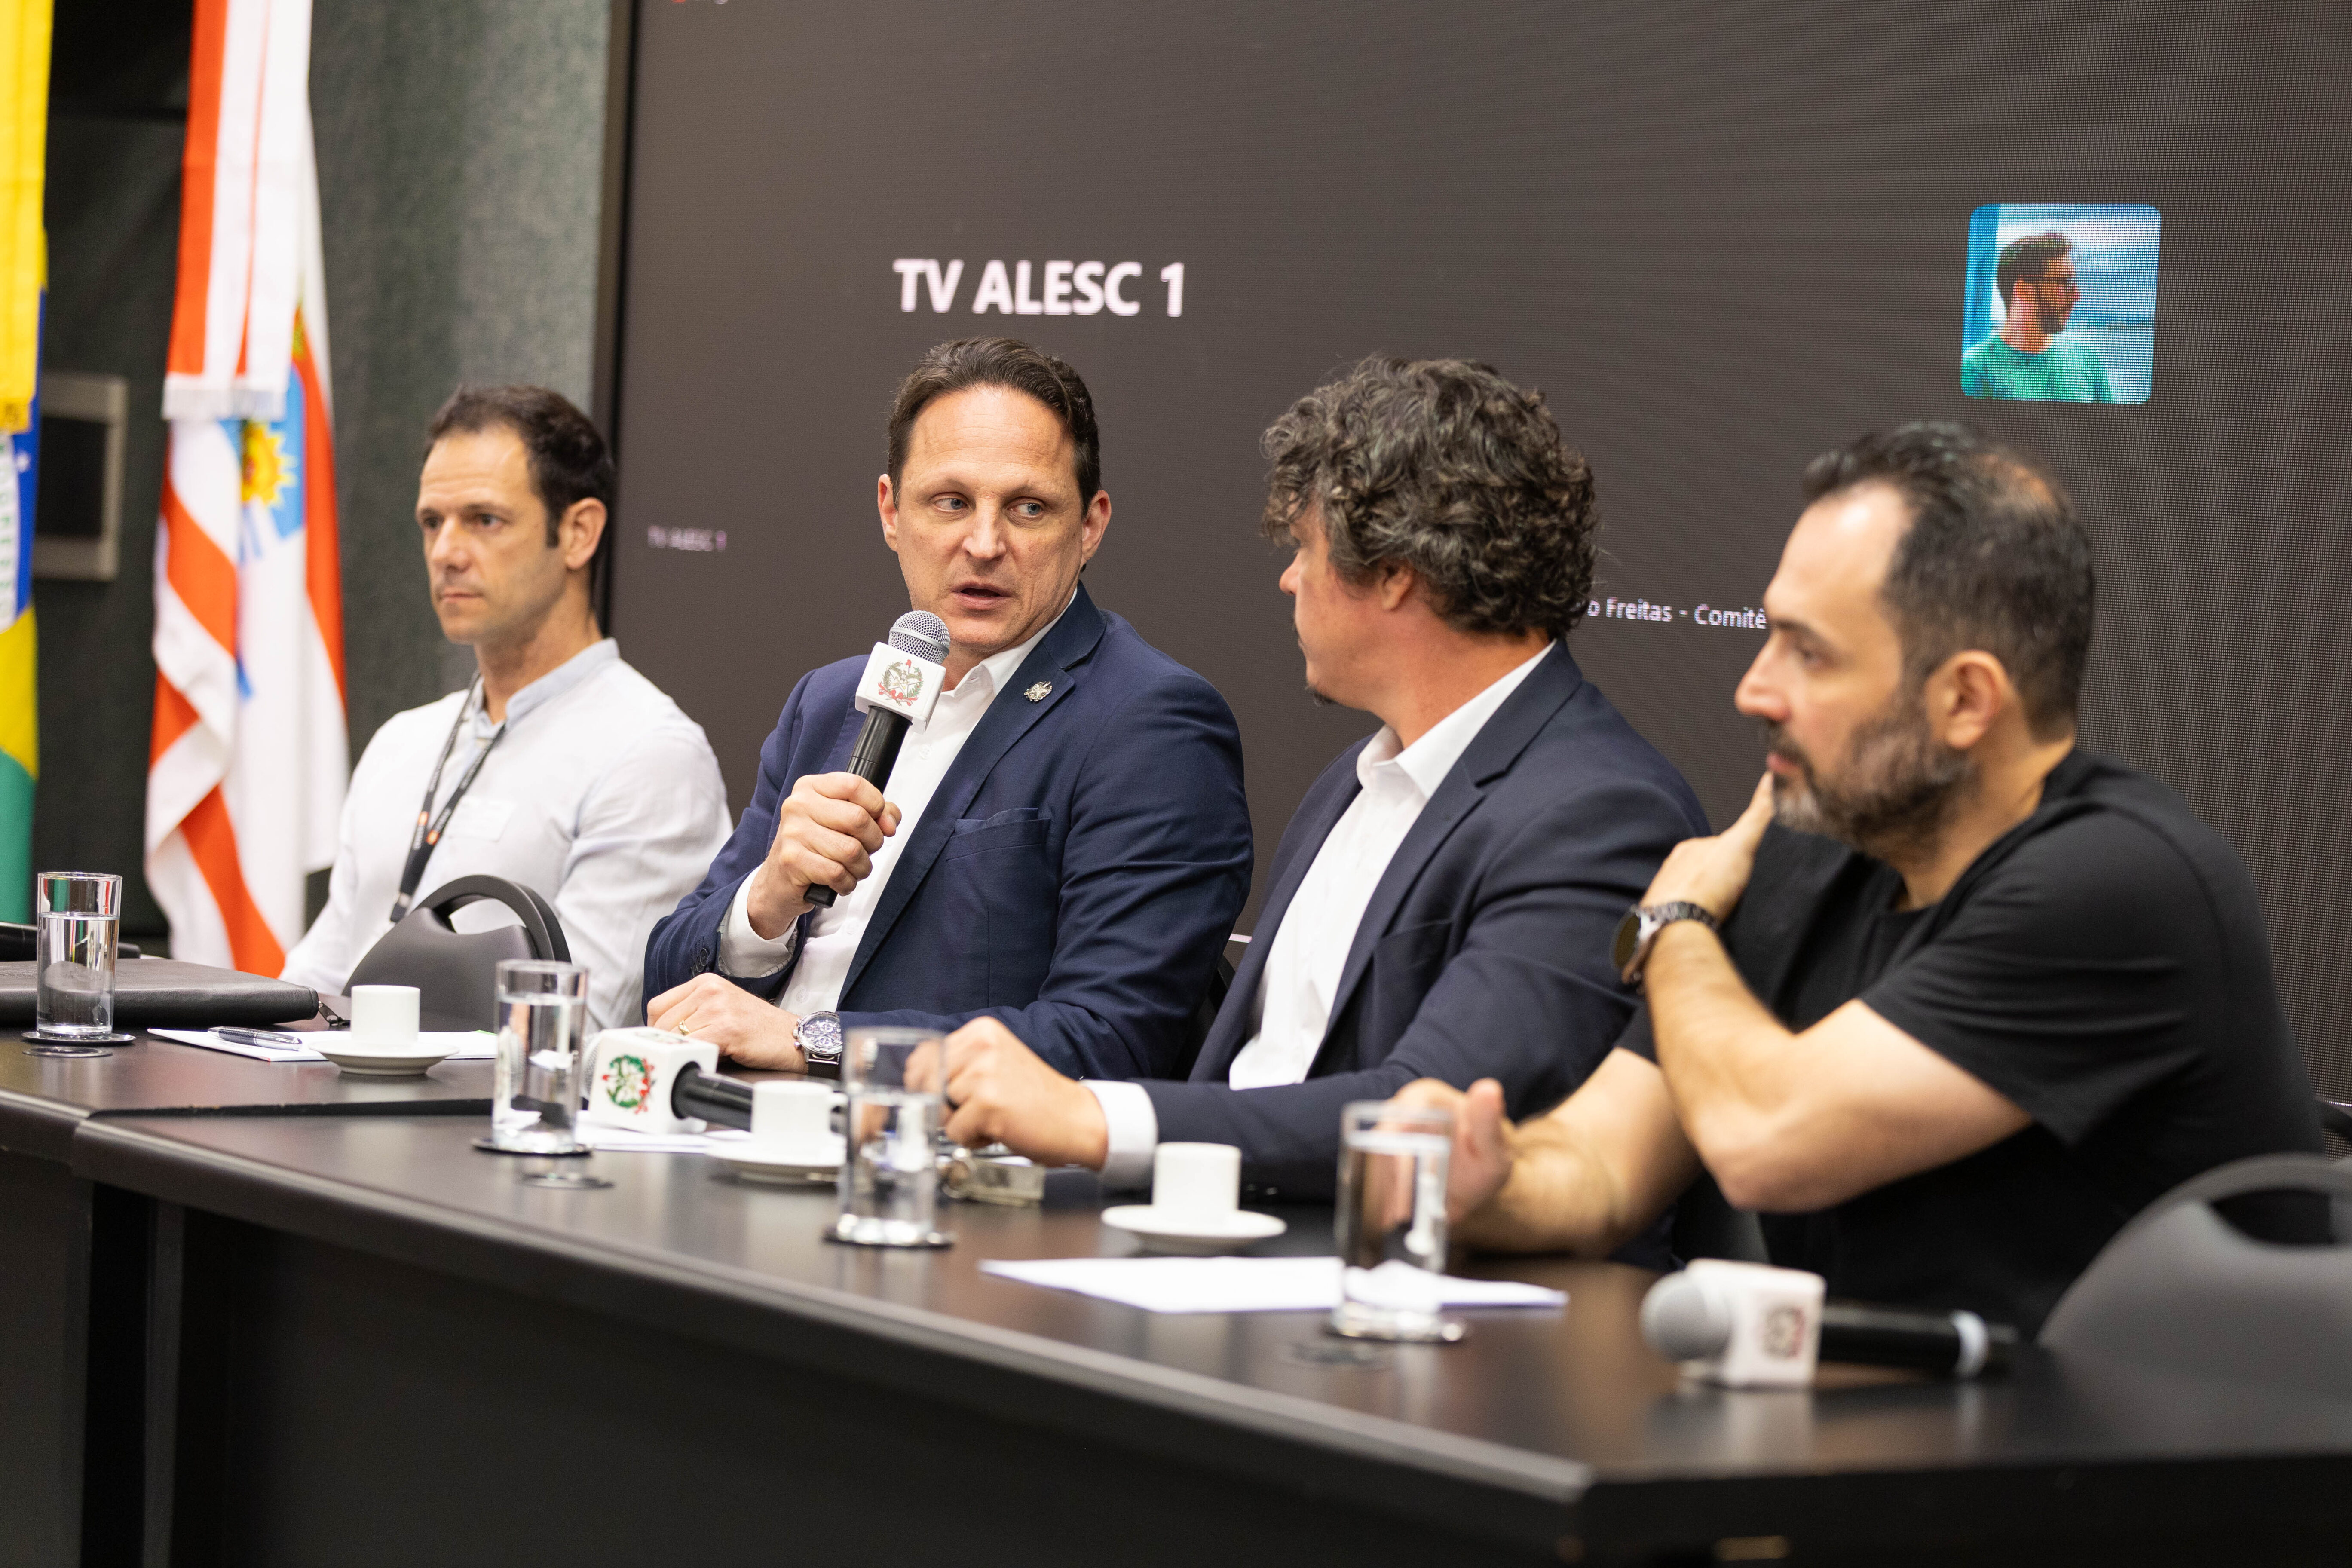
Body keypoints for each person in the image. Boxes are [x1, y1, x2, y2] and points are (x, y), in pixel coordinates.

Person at [1400, 422, 2318, 1335]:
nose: (1754, 691)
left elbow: (1766, 1140)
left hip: (2153, 1426)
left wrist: (1674, 920)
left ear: (1965, 700)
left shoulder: (2119, 887)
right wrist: (1486, 1182)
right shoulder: (1810, 850)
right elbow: (1602, 1167)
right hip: (1886, 1413)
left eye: (1809, 653)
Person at [910, 357, 1707, 1201]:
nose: (1290, 578)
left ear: (1394, 572)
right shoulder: (1349, 784)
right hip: (1196, 1231)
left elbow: (1430, 1119)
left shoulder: (1598, 814)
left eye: (1305, 547)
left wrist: (1095, 1117)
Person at [640, 338, 1251, 1081]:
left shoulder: (1151, 724)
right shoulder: (829, 701)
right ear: (891, 511)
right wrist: (762, 905)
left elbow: (1107, 1038)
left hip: (934, 1145)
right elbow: (665, 984)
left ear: (1090, 526)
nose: (984, 544)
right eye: (951, 502)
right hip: (725, 1122)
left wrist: (812, 1040)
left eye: (1028, 508)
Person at [283, 386, 731, 1032]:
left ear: (578, 533)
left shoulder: (651, 754)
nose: (446, 552)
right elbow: (310, 985)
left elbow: (571, 1026)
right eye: (432, 522)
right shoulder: (401, 742)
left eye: (484, 520)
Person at [1960, 233, 2116, 404]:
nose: (2077, 296)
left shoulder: (2087, 361)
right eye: (2066, 282)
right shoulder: (1975, 369)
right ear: (2024, 290)